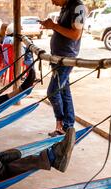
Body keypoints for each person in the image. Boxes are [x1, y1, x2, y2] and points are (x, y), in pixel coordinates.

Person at [40, 0, 86, 137]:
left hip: (66, 58)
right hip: (58, 57)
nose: (53, 2)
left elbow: (75, 34)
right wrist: (51, 26)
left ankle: (61, 123)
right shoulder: (66, 7)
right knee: (65, 93)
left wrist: (53, 26)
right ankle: (67, 127)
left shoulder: (78, 7)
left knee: (52, 92)